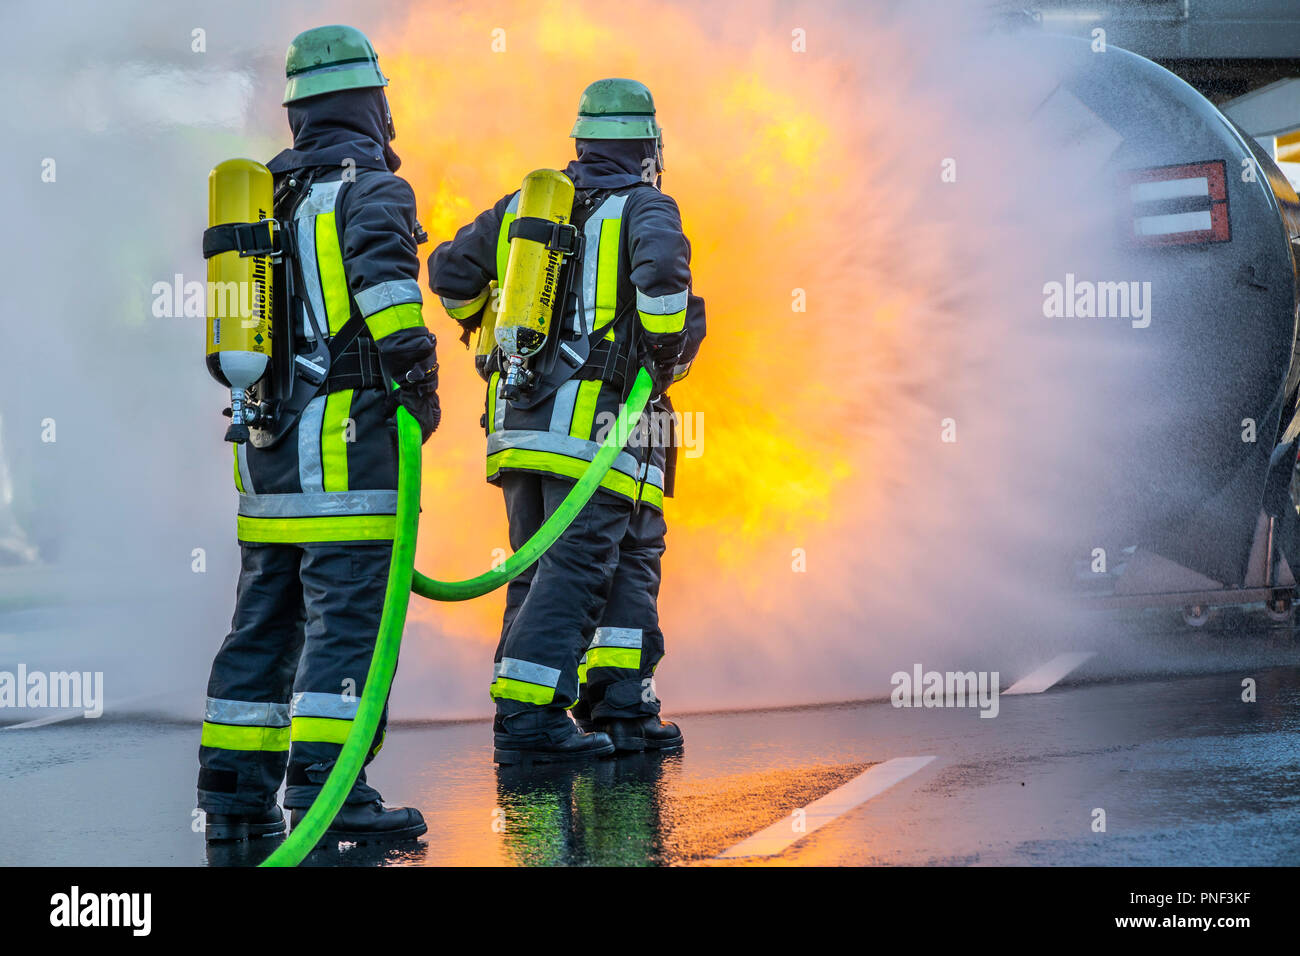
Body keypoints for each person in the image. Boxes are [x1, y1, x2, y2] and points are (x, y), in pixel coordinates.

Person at [197, 24, 440, 843]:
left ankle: (232, 796)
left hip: (266, 459)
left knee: (263, 622)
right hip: (346, 453)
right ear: (370, 103)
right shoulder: (372, 188)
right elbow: (387, 301)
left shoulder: (267, 192)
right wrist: (419, 381)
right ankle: (333, 797)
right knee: (349, 625)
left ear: (300, 112)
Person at [429, 78, 705, 764]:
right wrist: (665, 350)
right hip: (597, 431)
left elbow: (450, 271)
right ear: (646, 149)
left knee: (606, 557)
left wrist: (486, 337)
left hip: (523, 427)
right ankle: (529, 718)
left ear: (582, 143)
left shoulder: (528, 206)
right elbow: (665, 275)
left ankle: (620, 704)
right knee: (578, 566)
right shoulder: (647, 205)